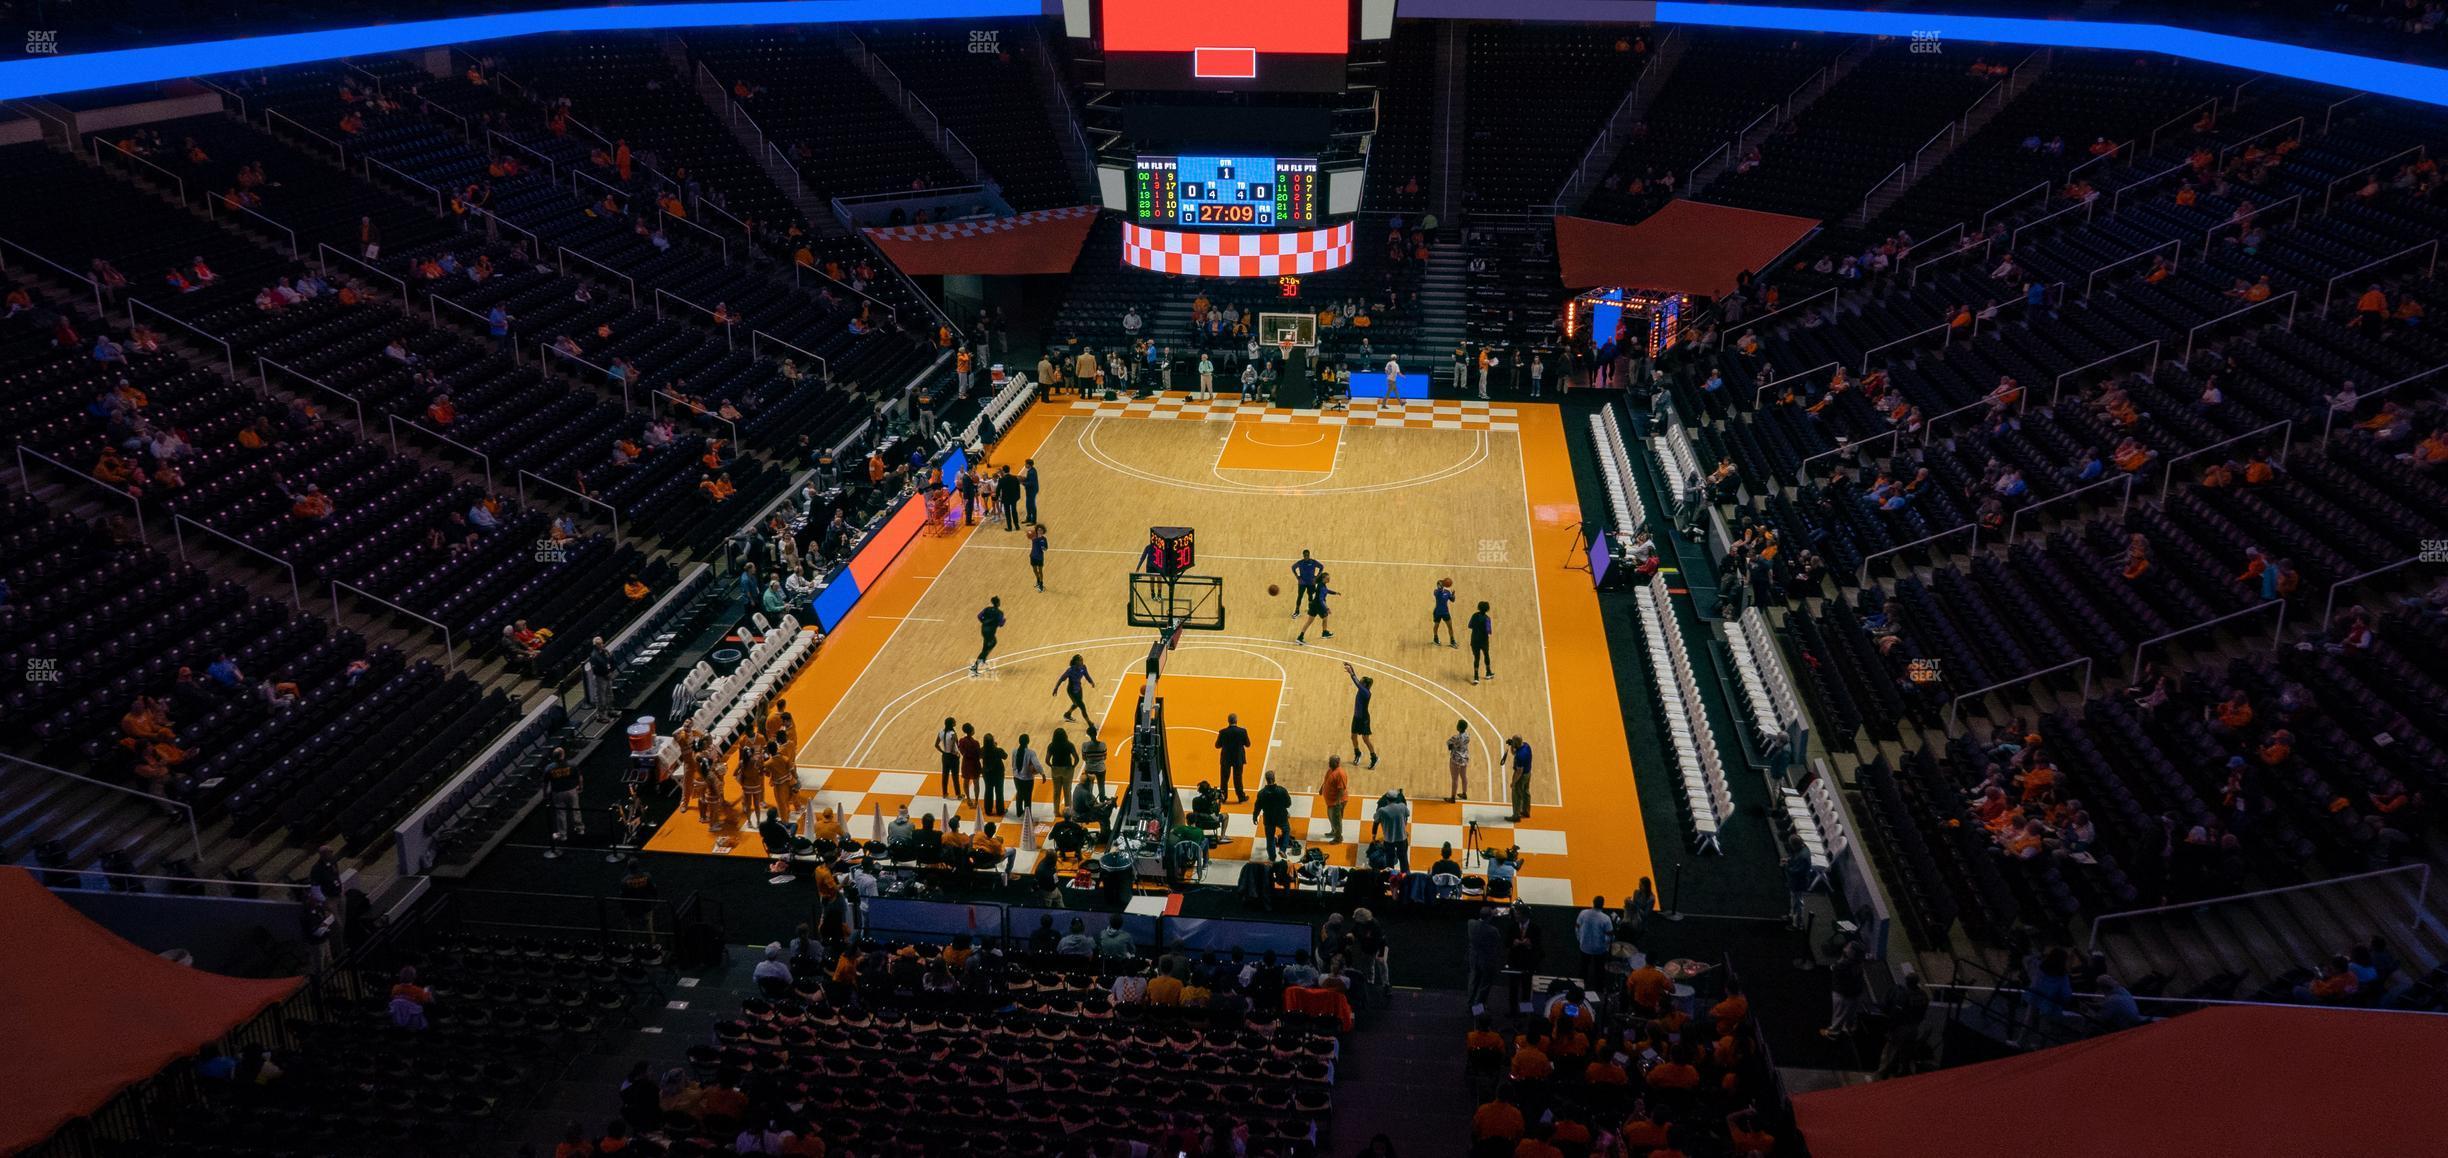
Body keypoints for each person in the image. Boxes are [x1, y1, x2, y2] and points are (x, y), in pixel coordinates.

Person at [544, 748, 583, 849]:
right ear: (563, 754)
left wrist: (545, 795)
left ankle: (563, 835)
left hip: (558, 793)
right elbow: (579, 777)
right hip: (571, 791)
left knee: (561, 814)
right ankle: (580, 829)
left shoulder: (549, 768)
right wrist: (580, 786)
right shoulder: (572, 765)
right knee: (575, 809)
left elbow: (545, 783)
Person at [1574, 897, 1615, 988]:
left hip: (1584, 947)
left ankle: (1580, 987)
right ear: (1603, 905)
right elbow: (1610, 935)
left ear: (1593, 902)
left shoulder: (1583, 913)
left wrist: (1579, 939)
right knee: (1599, 969)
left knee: (1583, 967)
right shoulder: (1606, 919)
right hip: (1599, 949)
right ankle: (1599, 989)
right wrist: (1606, 946)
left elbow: (1577, 927)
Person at [1253, 771, 1294, 861]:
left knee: (1270, 837)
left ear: (1266, 780)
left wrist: (1255, 816)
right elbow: (1288, 804)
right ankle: (1283, 849)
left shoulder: (1261, 793)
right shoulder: (1282, 790)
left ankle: (1272, 857)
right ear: (1274, 778)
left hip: (1268, 818)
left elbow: (1257, 806)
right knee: (1286, 831)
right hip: (1281, 817)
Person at [1343, 662, 1378, 767]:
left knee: (1365, 739)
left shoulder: (1366, 692)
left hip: (1364, 719)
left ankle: (1374, 757)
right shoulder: (1363, 688)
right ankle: (1358, 753)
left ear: (1364, 685)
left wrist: (1351, 673)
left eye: (1362, 682)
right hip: (1356, 717)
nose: (1360, 682)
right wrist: (1351, 668)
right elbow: (1357, 680)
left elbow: (1356, 681)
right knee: (1353, 737)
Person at [1215, 713, 1252, 802]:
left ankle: (1223, 798)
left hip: (1226, 759)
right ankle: (1241, 797)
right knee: (1238, 779)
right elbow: (1248, 744)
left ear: (1228, 721)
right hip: (1238, 758)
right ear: (1236, 720)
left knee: (1224, 779)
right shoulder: (1242, 731)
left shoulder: (1223, 732)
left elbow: (1217, 745)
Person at [1371, 789, 1412, 868]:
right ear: (1396, 799)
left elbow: (1375, 823)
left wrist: (1374, 835)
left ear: (1386, 799)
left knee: (1389, 862)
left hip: (1388, 840)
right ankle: (1406, 876)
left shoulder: (1381, 811)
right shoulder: (1402, 807)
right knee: (1404, 860)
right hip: (1402, 838)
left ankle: (1390, 878)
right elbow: (1407, 815)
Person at [1050, 654, 1095, 722]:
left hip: (1079, 689)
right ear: (1076, 662)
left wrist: (1091, 682)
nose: (1082, 661)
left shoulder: (1083, 667)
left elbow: (1086, 675)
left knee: (1077, 703)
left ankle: (1067, 715)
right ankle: (1090, 724)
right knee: (1082, 707)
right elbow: (1061, 679)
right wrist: (1056, 688)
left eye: (1082, 660)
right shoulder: (1070, 670)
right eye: (1080, 660)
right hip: (1072, 691)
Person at [1010, 733, 1043, 819]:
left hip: (1016, 777)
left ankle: (1019, 812)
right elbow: (1037, 765)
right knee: (1027, 798)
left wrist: (1015, 772)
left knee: (1019, 794)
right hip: (1027, 779)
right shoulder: (1031, 753)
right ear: (1028, 742)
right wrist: (1042, 773)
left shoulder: (1014, 751)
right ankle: (1028, 816)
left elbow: (1013, 764)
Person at [1319, 754, 1349, 844]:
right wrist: (1322, 788)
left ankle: (1338, 838)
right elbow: (1326, 780)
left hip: (1337, 802)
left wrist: (1338, 802)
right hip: (1331, 801)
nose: (1330, 763)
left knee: (1336, 819)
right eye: (1330, 761)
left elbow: (1341, 789)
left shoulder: (1340, 773)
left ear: (1338, 763)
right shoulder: (1331, 770)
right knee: (1331, 817)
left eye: (1332, 762)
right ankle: (1334, 831)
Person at [971, 595, 1004, 675]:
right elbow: (1000, 624)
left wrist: (984, 621)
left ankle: (983, 661)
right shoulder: (999, 613)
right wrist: (1003, 621)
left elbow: (979, 616)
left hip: (984, 630)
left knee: (986, 645)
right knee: (989, 646)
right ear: (998, 603)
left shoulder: (987, 609)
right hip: (990, 632)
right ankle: (975, 667)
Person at [1505, 735, 1535, 822]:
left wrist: (1513, 782)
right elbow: (1514, 752)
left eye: (1513, 742)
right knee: (1526, 792)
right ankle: (1526, 811)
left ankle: (1516, 816)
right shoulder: (1526, 745)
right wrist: (1511, 746)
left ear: (1516, 743)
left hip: (1521, 776)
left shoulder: (1520, 756)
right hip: (1528, 773)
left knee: (1517, 795)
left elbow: (1519, 772)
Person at [1468, 600, 1496, 683]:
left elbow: (1469, 625)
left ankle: (1476, 677)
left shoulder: (1474, 615)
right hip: (1483, 641)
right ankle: (1488, 672)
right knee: (1486, 655)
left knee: (1476, 658)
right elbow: (1489, 631)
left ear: (1478, 608)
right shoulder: (1487, 619)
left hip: (1474, 640)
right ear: (1487, 609)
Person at [1445, 718, 1472, 803]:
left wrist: (1452, 746)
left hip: (1456, 759)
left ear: (1459, 728)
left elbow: (1448, 743)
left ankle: (1452, 798)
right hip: (1464, 758)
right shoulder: (1467, 736)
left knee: (1455, 779)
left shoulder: (1455, 737)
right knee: (1464, 776)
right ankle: (1464, 793)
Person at [1290, 549, 1323, 617]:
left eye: (1307, 555)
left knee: (1310, 596)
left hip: (1311, 582)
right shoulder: (1300, 563)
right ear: (1303, 555)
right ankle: (1297, 611)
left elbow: (1321, 567)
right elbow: (1293, 568)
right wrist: (1297, 577)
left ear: (1309, 555)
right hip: (1302, 583)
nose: (1306, 557)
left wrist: (1316, 577)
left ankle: (1310, 609)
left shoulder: (1313, 562)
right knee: (1300, 596)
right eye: (1305, 555)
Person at [1431, 578, 1458, 646]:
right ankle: (1435, 639)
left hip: (1445, 612)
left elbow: (1452, 600)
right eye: (1438, 585)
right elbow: (1438, 592)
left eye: (1440, 585)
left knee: (1450, 627)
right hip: (1437, 612)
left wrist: (1453, 594)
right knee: (1436, 626)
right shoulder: (1436, 592)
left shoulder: (1447, 592)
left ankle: (1452, 641)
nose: (1439, 586)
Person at [1026, 522, 1049, 591]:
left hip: (1040, 557)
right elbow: (1029, 534)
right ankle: (1038, 580)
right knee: (1035, 570)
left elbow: (1046, 549)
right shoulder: (1034, 537)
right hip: (1033, 556)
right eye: (1038, 530)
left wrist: (1043, 548)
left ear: (1043, 531)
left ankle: (1041, 584)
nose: (1040, 531)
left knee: (1040, 571)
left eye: (1041, 530)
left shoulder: (1044, 539)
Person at [1022, 458, 1041, 523]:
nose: (1025, 465)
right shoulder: (1032, 470)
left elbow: (1030, 483)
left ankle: (1033, 520)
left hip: (1031, 491)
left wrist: (1022, 483)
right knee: (1028, 505)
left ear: (1028, 464)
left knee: (1032, 505)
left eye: (1025, 464)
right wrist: (1025, 479)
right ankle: (1029, 518)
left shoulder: (1031, 472)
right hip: (1031, 491)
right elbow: (1030, 480)